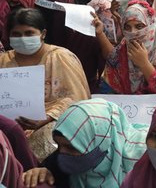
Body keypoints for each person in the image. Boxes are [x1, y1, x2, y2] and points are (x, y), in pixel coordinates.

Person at [1, 8, 90, 161]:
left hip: (49, 123)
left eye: (29, 33)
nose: (23, 39)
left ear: (42, 34)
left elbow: (77, 98)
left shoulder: (60, 57)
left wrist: (47, 117)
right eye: (16, 34)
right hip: (7, 125)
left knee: (53, 135)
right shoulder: (3, 60)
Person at [24, 99, 147, 188]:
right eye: (58, 145)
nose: (62, 153)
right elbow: (53, 171)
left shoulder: (143, 156)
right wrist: (43, 173)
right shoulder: (71, 155)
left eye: (71, 147)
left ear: (101, 140)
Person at [96, 0, 156, 94]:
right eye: (128, 27)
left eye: (139, 26)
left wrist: (145, 65)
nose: (133, 32)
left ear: (151, 25)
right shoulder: (121, 52)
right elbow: (107, 90)